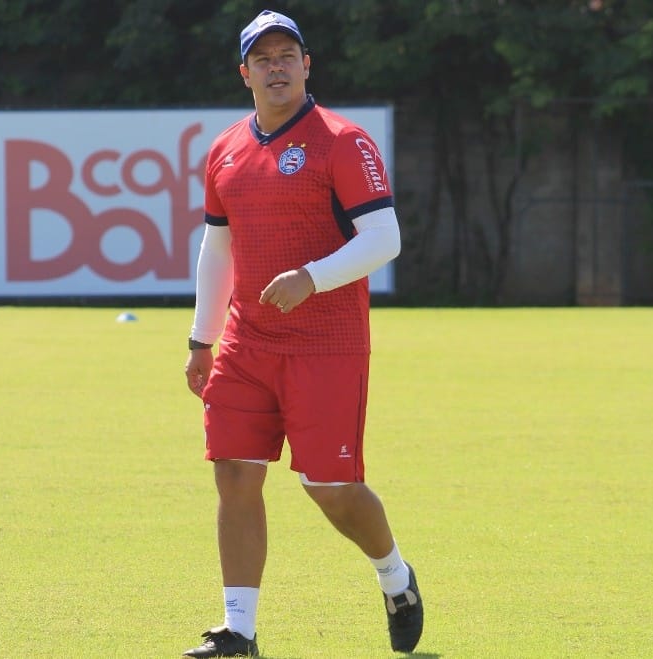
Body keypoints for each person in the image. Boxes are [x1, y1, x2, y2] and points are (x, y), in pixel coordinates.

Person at [182, 9, 423, 658]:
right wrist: (202, 339)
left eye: (287, 54)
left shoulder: (342, 141)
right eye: (262, 58)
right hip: (246, 342)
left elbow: (384, 238)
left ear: (307, 64)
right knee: (234, 473)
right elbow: (217, 245)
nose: (276, 66)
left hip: (325, 345)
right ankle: (238, 629)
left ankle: (394, 575)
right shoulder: (226, 148)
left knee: (330, 489)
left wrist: (310, 277)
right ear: (244, 73)